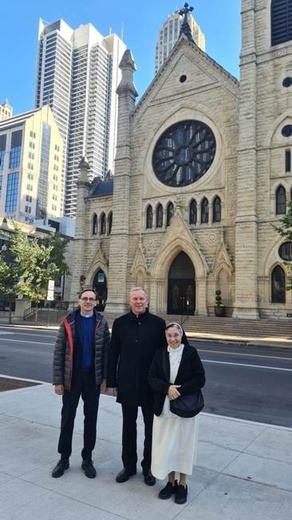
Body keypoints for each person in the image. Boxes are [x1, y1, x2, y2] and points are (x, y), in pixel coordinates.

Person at [106, 287, 166, 486]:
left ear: (147, 301)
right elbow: (113, 353)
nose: (138, 302)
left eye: (141, 298)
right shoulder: (120, 323)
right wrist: (111, 382)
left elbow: (166, 356)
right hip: (128, 383)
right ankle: (129, 466)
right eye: (135, 299)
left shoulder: (158, 324)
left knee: (151, 429)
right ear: (129, 301)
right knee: (128, 427)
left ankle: (148, 467)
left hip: (151, 386)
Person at [52, 288, 110, 479]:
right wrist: (58, 381)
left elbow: (106, 353)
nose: (88, 302)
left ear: (96, 302)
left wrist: (105, 379)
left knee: (90, 419)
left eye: (91, 299)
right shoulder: (68, 321)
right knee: (67, 418)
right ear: (79, 301)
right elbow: (59, 352)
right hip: (72, 378)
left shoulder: (102, 322)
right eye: (85, 298)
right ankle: (64, 457)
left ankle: (87, 458)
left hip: (92, 379)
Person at [148, 322, 205, 505]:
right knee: (166, 445)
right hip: (164, 407)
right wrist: (167, 388)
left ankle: (182, 484)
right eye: (169, 335)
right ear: (165, 337)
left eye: (176, 335)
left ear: (182, 336)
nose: (173, 339)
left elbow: (200, 378)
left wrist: (179, 390)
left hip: (185, 408)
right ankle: (170, 482)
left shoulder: (190, 353)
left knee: (183, 445)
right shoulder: (159, 354)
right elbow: (151, 378)